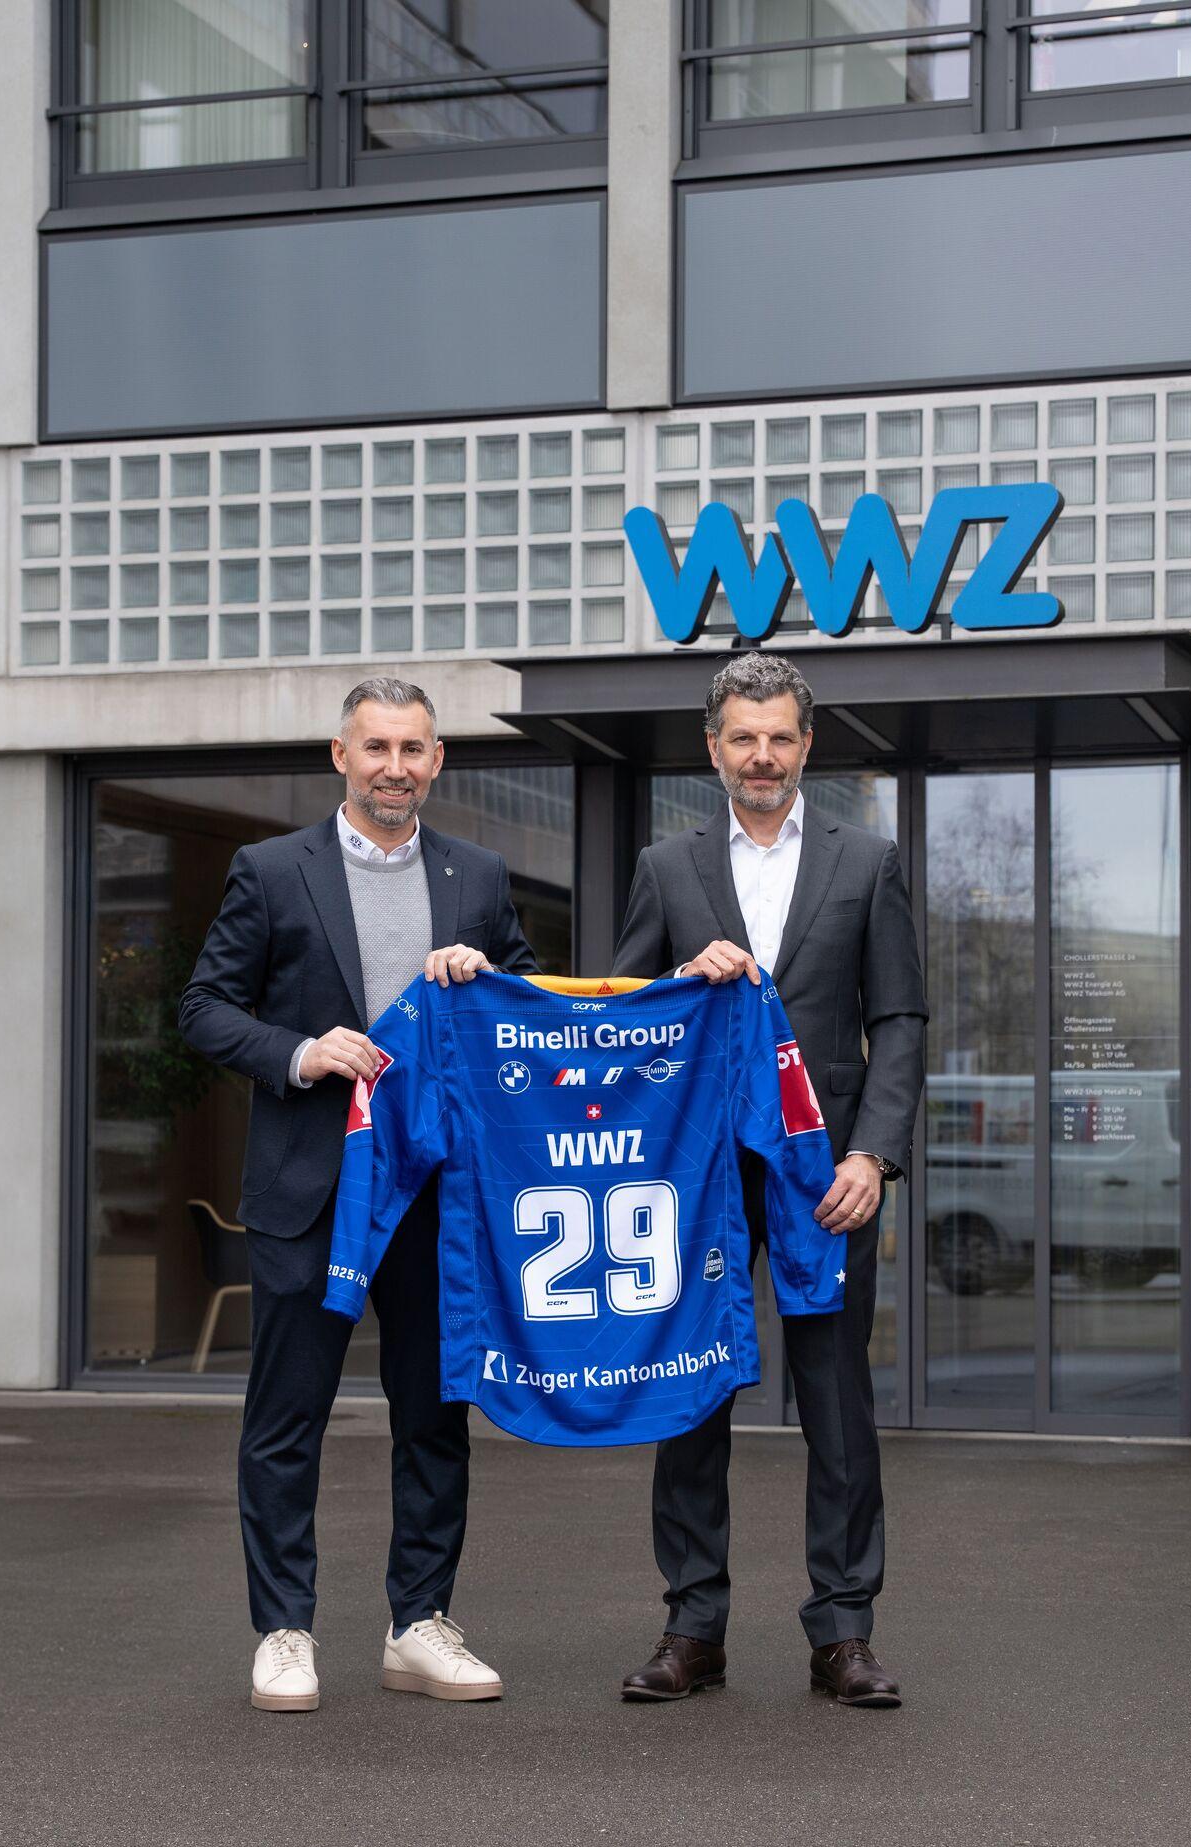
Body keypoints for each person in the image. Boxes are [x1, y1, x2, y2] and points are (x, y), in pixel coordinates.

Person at [178, 676, 538, 1714]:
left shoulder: (478, 876)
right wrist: (299, 1052)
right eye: (375, 747)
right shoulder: (271, 870)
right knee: (287, 1419)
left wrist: (486, 975)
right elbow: (204, 1009)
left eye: (413, 749)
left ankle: (418, 1624)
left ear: (437, 761)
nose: (394, 767)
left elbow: (524, 1009)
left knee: (434, 1417)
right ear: (341, 756)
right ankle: (284, 1631)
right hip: (312, 1189)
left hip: (435, 1195)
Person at [610, 651, 929, 1708]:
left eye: (779, 736)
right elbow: (622, 1015)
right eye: (742, 737)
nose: (762, 755)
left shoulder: (867, 860)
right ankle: (692, 1626)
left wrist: (873, 1154)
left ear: (806, 745)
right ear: (713, 748)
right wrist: (675, 976)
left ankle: (843, 1632)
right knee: (692, 1389)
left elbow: (899, 1020)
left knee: (836, 1400)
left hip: (824, 1174)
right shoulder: (666, 866)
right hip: (696, 1173)